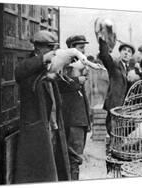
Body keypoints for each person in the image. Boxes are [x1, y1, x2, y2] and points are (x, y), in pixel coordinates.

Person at [14, 30, 71, 183]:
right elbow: (19, 73)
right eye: (50, 49)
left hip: (52, 127)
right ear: (39, 49)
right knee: (38, 174)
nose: (54, 52)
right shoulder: (30, 64)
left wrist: (51, 77)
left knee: (51, 170)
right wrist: (43, 66)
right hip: (36, 130)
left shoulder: (47, 65)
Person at [57, 35, 91, 180]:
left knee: (75, 157)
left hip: (79, 118)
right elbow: (59, 83)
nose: (83, 50)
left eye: (84, 47)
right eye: (81, 47)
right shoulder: (65, 64)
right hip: (72, 119)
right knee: (74, 158)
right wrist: (79, 80)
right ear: (72, 48)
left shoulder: (80, 64)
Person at [98, 37, 135, 135]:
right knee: (114, 135)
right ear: (120, 52)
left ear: (131, 55)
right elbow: (104, 56)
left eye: (129, 51)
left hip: (126, 110)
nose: (126, 53)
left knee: (124, 135)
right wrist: (103, 40)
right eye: (124, 50)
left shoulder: (131, 69)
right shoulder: (114, 65)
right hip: (115, 107)